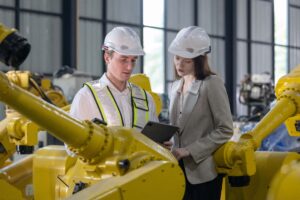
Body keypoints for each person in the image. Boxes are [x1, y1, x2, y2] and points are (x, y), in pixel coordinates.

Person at [168, 26, 233, 200]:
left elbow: (225, 129)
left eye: (186, 60)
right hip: (176, 171)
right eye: (177, 58)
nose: (179, 64)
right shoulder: (174, 87)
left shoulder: (212, 84)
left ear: (198, 60)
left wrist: (189, 150)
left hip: (203, 174)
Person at [69, 27, 158, 141]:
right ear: (107, 57)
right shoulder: (86, 96)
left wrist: (161, 146)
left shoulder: (146, 99)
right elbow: (72, 145)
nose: (130, 67)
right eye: (123, 60)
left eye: (133, 60)